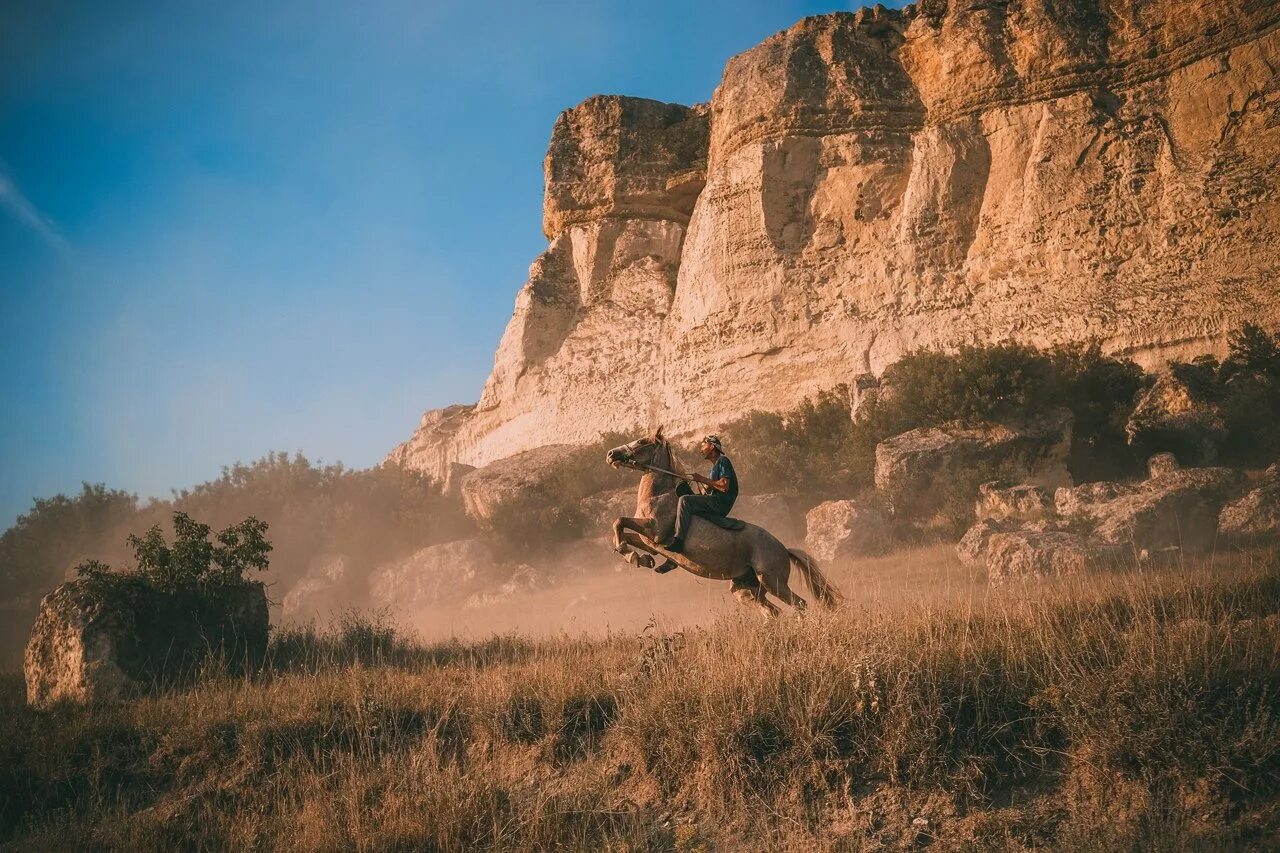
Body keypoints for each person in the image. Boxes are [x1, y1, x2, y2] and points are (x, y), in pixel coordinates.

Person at [664, 434, 738, 555]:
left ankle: (678, 541)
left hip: (720, 503)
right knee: (683, 492)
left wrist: (702, 479)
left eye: (703, 445)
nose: (701, 449)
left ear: (712, 446)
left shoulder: (723, 461)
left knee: (684, 500)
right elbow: (706, 491)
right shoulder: (714, 468)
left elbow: (724, 486)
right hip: (714, 500)